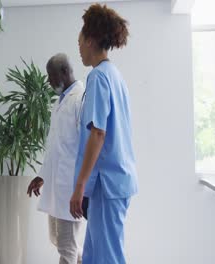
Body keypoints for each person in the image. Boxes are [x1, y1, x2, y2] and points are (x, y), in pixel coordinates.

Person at [70, 4, 139, 264]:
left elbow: (97, 134)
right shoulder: (114, 75)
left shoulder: (99, 77)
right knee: (93, 255)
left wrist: (79, 187)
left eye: (79, 42)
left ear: (90, 40)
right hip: (113, 181)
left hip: (107, 184)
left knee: (107, 257)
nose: (78, 48)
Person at [27, 53, 85, 264]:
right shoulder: (60, 101)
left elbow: (86, 146)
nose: (49, 82)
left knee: (66, 246)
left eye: (51, 76)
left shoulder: (80, 99)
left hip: (70, 186)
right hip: (57, 185)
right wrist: (42, 175)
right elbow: (56, 147)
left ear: (65, 72)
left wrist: (81, 187)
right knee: (59, 240)